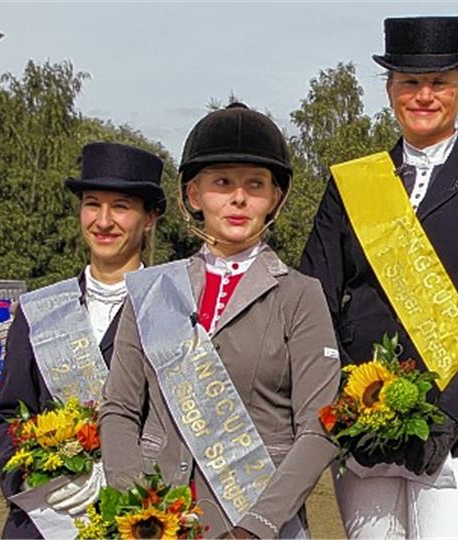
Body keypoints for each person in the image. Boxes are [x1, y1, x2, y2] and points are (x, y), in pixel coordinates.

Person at [299, 16, 458, 539]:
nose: (424, 95)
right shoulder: (353, 182)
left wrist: (457, 413)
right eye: (409, 82)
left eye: (439, 83)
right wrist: (352, 399)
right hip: (369, 426)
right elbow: (314, 302)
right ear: (390, 90)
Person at [99, 103, 340, 539]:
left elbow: (319, 427)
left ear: (275, 199)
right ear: (193, 195)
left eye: (255, 184)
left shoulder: (301, 296)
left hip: (257, 517)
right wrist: (139, 508)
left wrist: (256, 527)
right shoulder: (150, 291)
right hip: (160, 517)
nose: (239, 198)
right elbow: (119, 410)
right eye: (222, 182)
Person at [0, 142, 165, 538]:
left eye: (120, 206)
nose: (103, 221)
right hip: (42, 520)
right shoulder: (40, 310)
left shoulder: (171, 311)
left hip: (132, 519)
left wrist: (118, 473)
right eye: (91, 203)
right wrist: (32, 477)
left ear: (149, 218)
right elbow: (5, 416)